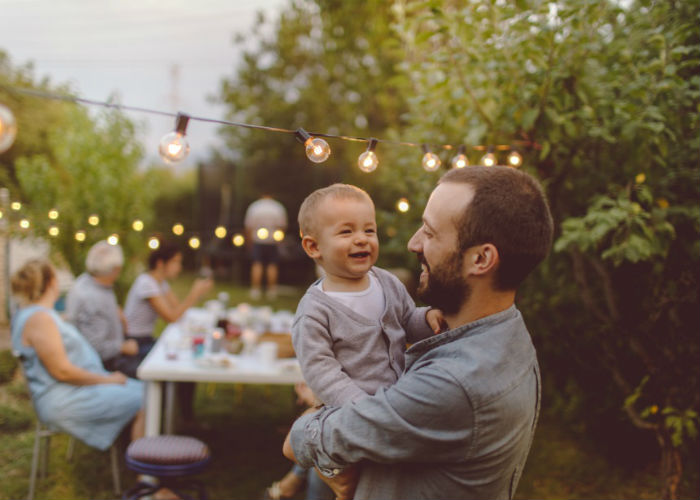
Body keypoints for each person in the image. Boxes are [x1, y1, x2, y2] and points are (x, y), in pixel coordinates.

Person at [283, 166, 554, 500]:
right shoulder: (507, 331)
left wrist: (309, 419)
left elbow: (297, 443)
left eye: (429, 232)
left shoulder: (455, 384)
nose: (413, 243)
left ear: (481, 258)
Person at [265, 184, 444, 500]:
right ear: (313, 247)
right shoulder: (315, 310)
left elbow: (407, 321)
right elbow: (321, 372)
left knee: (383, 480)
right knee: (340, 485)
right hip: (350, 415)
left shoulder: (386, 282)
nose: (361, 238)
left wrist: (427, 319)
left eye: (369, 230)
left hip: (393, 406)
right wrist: (361, 407)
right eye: (346, 232)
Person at [10, 259, 144, 450]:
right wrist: (108, 380)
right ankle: (145, 471)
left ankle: (139, 456)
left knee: (144, 390)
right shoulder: (40, 319)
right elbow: (62, 372)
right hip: (65, 399)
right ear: (51, 283)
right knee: (147, 397)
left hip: (73, 391)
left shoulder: (34, 314)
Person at [123, 241, 213, 358]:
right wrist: (194, 294)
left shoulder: (161, 283)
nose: (179, 267)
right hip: (135, 342)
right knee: (178, 353)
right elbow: (171, 317)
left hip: (146, 339)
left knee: (183, 348)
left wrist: (199, 293)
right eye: (175, 262)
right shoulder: (146, 283)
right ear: (160, 263)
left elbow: (178, 310)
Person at [65, 240, 141, 377]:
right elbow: (94, 347)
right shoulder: (92, 298)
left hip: (111, 355)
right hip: (103, 367)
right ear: (116, 269)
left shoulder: (86, 281)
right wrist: (123, 347)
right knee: (155, 375)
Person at [244, 195, 288, 300]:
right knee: (272, 265)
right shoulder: (278, 207)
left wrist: (249, 242)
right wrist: (279, 241)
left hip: (257, 240)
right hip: (272, 240)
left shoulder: (254, 207)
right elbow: (282, 226)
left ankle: (255, 290)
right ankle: (271, 291)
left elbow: (249, 227)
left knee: (257, 264)